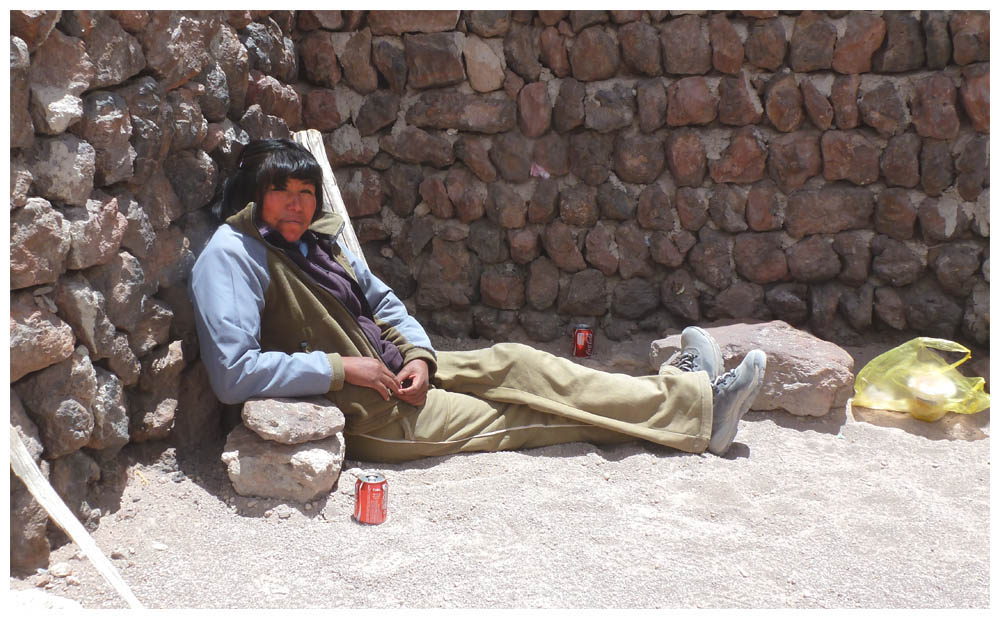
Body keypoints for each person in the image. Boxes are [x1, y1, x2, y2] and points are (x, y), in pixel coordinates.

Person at [190, 139, 766, 463]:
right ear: (253, 196)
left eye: (305, 193)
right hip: (373, 413)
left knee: (522, 363)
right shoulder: (232, 256)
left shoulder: (314, 238)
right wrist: (342, 370)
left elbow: (381, 301)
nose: (297, 205)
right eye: (281, 193)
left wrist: (416, 353)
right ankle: (699, 412)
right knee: (529, 412)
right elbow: (232, 374)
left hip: (396, 375)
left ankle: (684, 394)